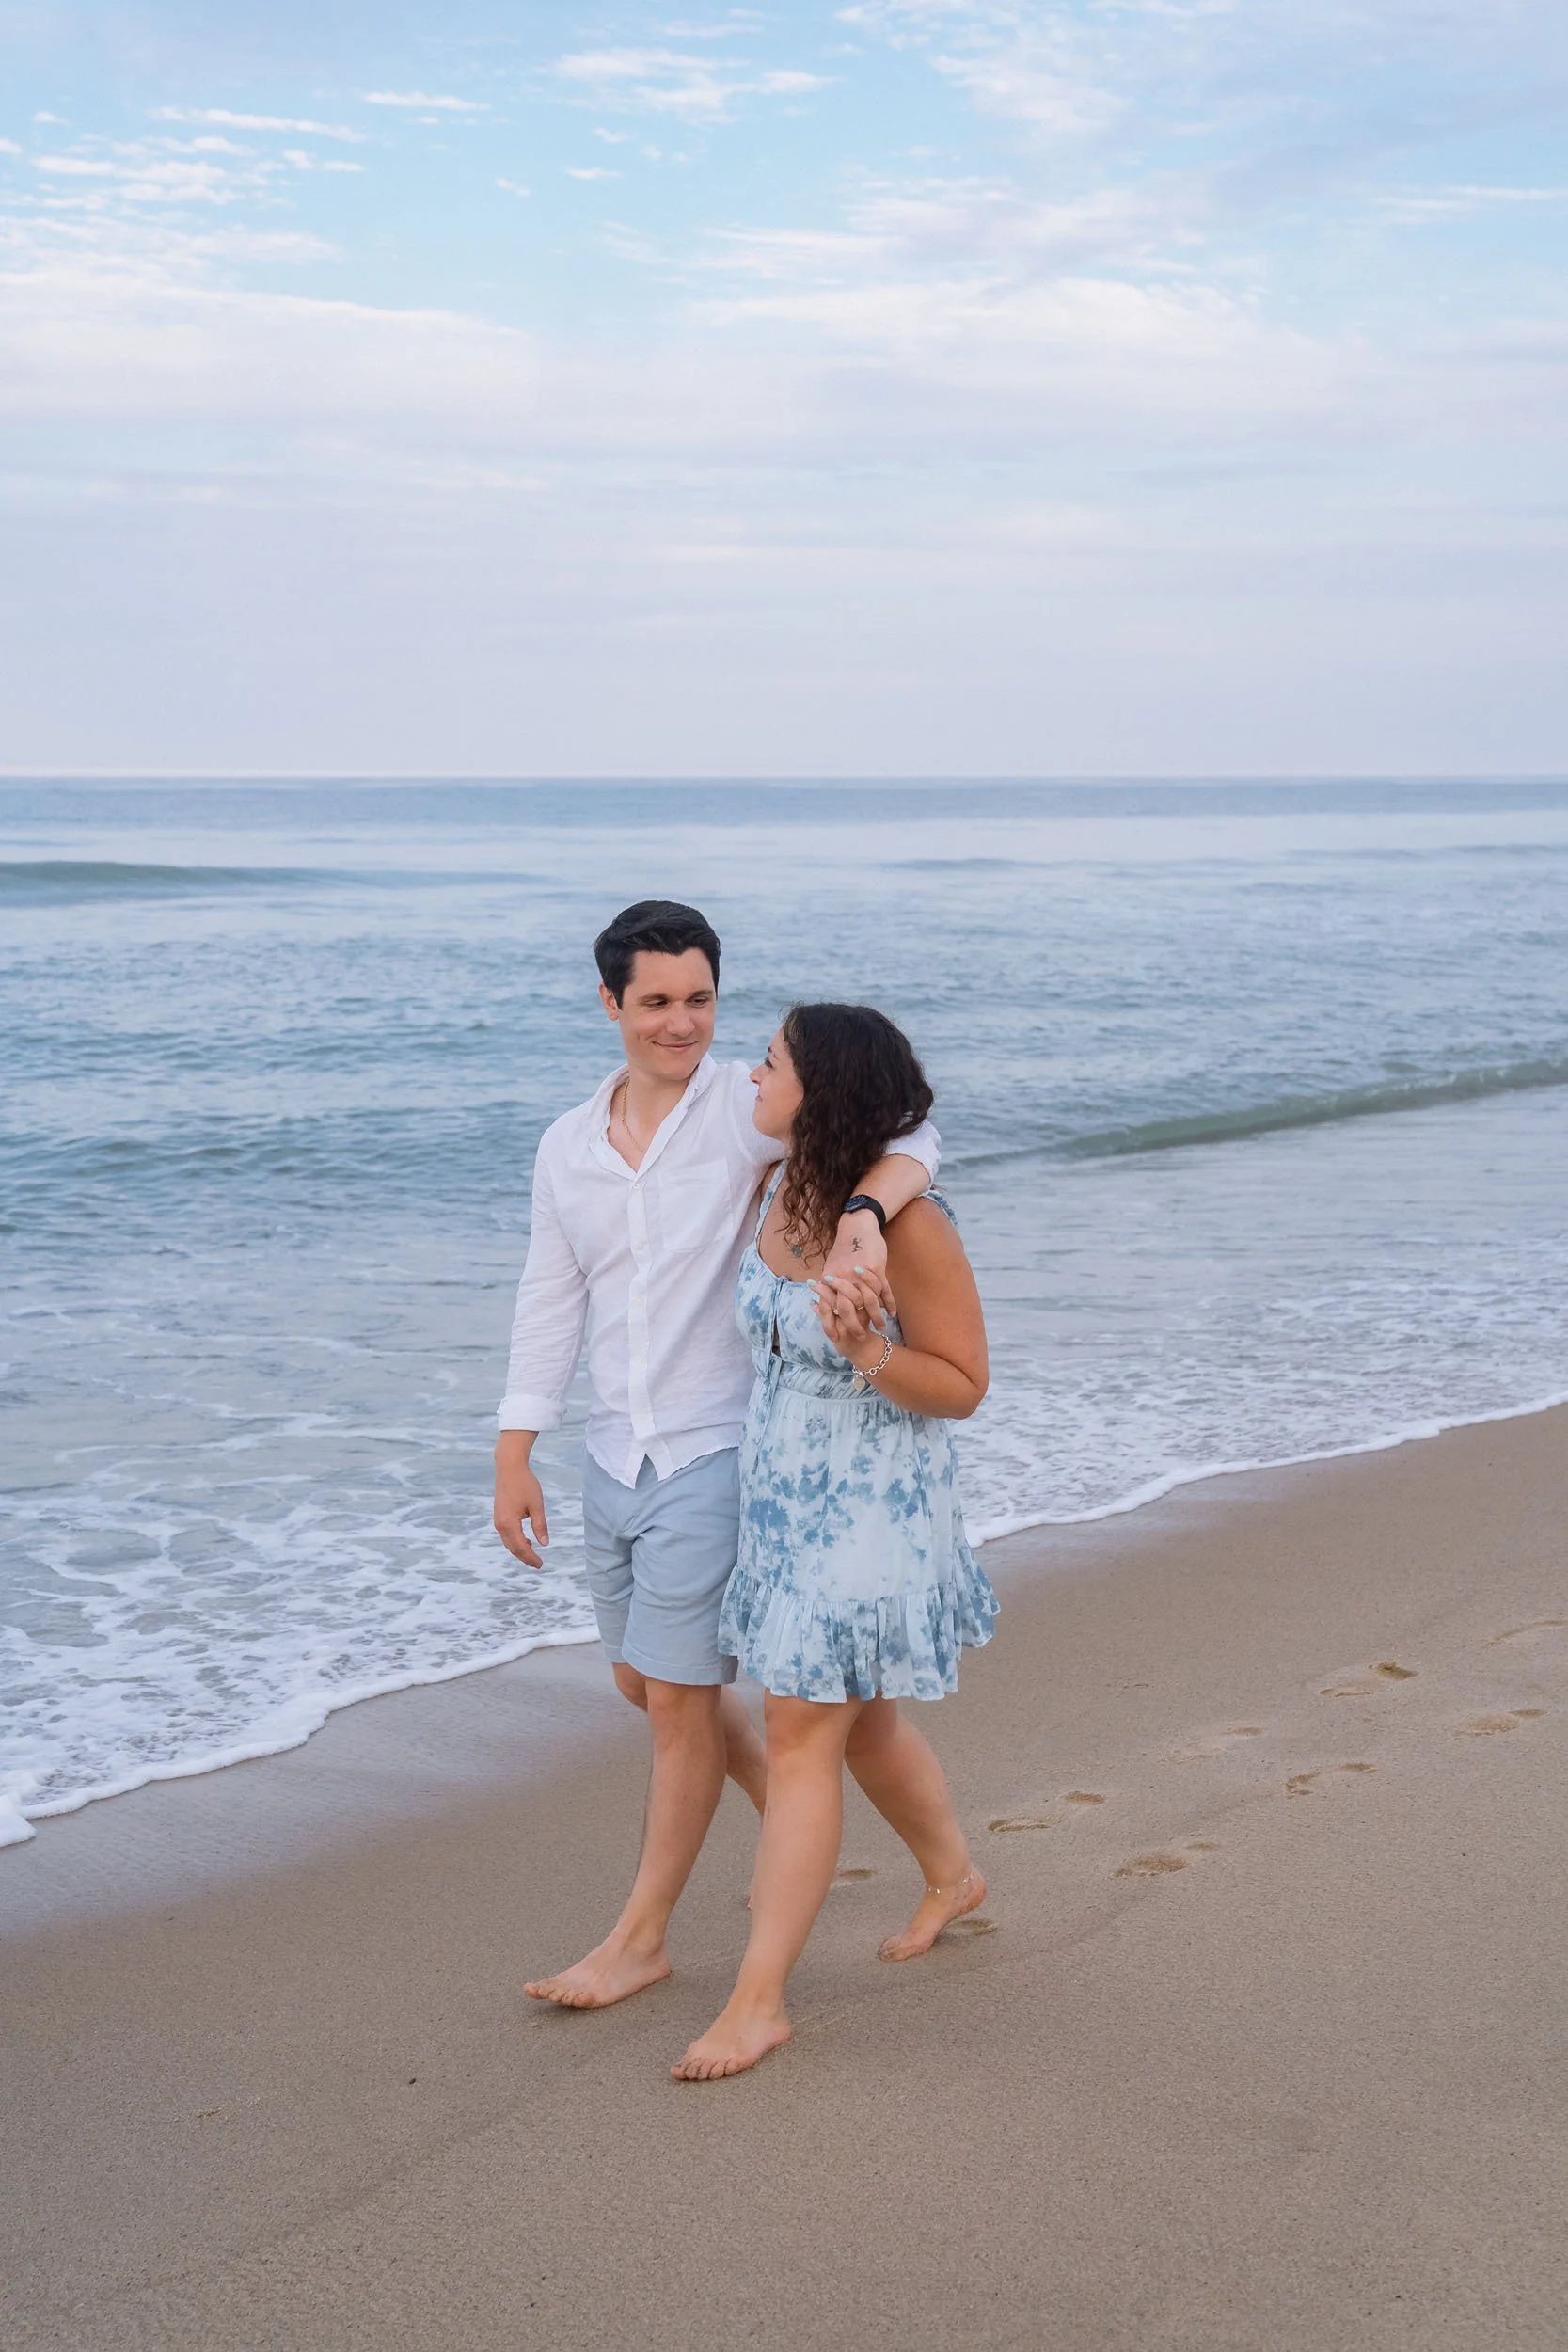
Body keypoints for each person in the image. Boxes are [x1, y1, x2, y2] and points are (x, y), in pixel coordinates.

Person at [494, 903, 942, 2010]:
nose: (681, 1023)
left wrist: (863, 1214)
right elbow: (550, 1298)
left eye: (698, 998)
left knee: (682, 1710)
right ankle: (846, 1834)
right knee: (647, 1685)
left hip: (718, 1451)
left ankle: (641, 1937)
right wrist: (515, 1452)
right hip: (612, 1457)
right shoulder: (565, 1145)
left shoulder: (744, 1114)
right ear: (610, 1004)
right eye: (655, 1001)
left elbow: (911, 1132)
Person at [672, 1003, 997, 2083]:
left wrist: (863, 1347)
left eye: (769, 1062)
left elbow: (961, 1386)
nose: (749, 1073)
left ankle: (757, 2001)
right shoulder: (787, 1183)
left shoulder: (911, 1227)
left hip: (870, 1508)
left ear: (821, 1090)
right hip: (781, 1503)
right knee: (862, 1726)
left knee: (802, 1725)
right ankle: (953, 1875)